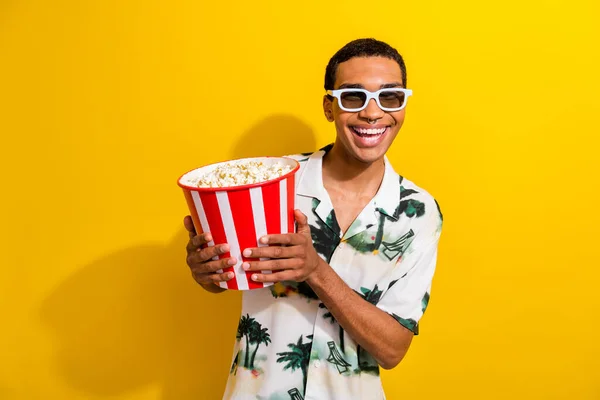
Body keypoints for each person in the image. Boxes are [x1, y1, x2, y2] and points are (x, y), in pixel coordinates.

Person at [184, 38, 443, 400]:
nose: (372, 113)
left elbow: (392, 350)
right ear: (329, 106)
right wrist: (206, 269)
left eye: (390, 97)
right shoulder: (272, 183)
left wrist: (315, 270)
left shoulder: (419, 213)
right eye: (353, 97)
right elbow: (227, 276)